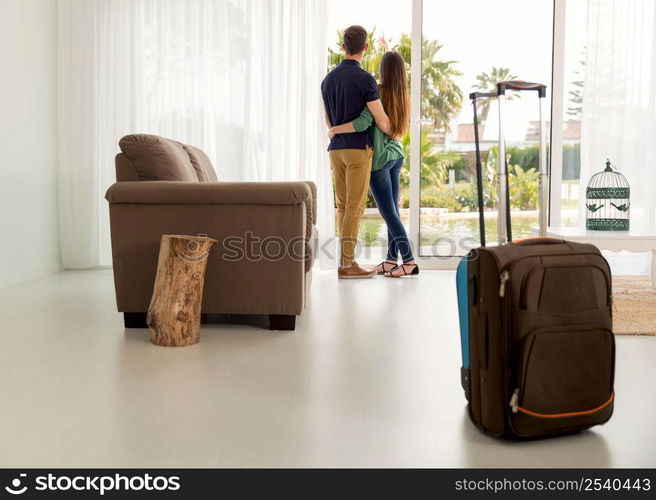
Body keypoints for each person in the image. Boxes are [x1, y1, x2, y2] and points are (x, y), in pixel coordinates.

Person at [328, 49, 419, 278]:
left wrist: (335, 129)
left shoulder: (378, 92)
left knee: (388, 212)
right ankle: (391, 259)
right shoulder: (402, 95)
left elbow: (363, 122)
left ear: (383, 71)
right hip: (396, 154)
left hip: (379, 159)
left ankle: (409, 261)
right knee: (393, 211)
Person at [321, 25, 393, 279]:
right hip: (357, 150)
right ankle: (347, 264)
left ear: (343, 47)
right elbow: (380, 118)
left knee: (342, 207)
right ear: (365, 47)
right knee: (354, 208)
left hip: (335, 150)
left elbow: (328, 122)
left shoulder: (327, 79)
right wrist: (394, 130)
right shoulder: (364, 79)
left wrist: (335, 132)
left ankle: (344, 262)